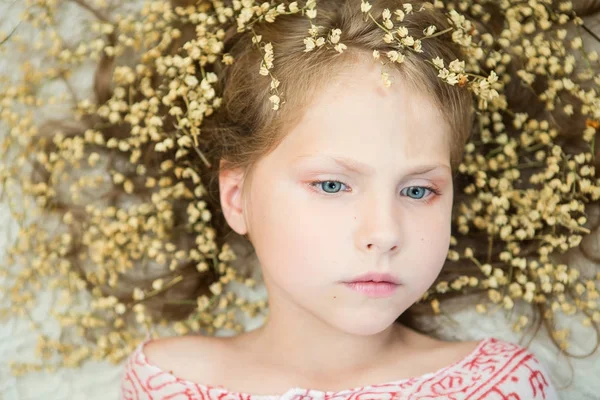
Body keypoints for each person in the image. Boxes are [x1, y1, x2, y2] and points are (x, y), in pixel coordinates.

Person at [120, 1, 559, 398]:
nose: (384, 234)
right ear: (236, 197)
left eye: (418, 190)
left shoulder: (497, 386)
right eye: (332, 185)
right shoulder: (165, 382)